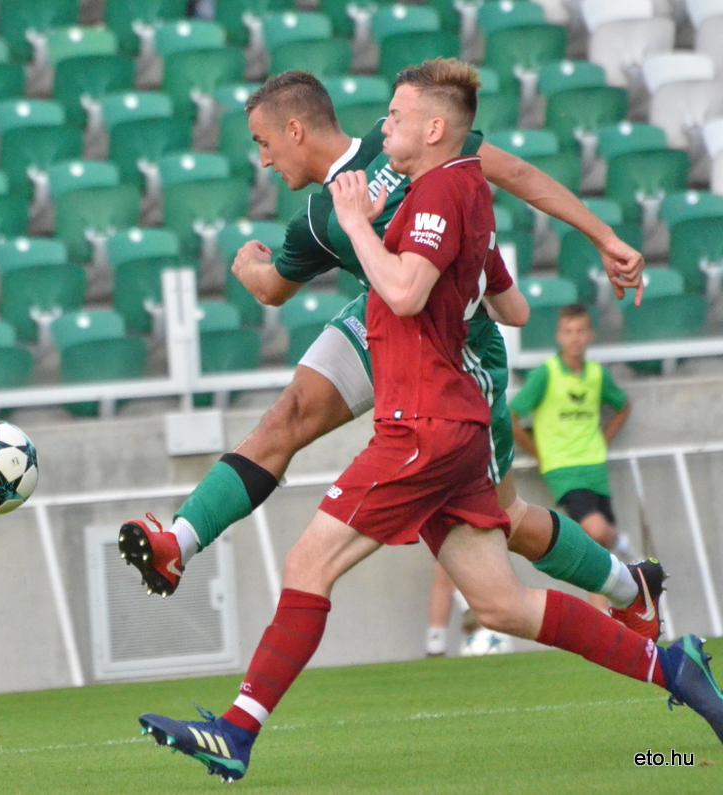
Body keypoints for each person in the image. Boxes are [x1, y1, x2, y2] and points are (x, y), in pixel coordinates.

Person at [135, 61, 723, 783]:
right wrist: (454, 273)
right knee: (501, 602)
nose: (384, 125)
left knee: (309, 562)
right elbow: (505, 303)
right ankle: (674, 665)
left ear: (433, 130)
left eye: (394, 116)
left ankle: (237, 729)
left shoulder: (442, 182)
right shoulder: (431, 189)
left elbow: (415, 289)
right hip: (441, 409)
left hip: (431, 413)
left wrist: (372, 232)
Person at [118, 69, 663, 642]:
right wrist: (250, 264)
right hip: (384, 320)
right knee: (288, 414)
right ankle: (176, 542)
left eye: (264, 143)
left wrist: (606, 238)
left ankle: (630, 586)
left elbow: (519, 174)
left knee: (506, 518)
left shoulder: (411, 141)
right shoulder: (315, 221)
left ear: (296, 130)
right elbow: (273, 289)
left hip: (459, 351)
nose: (264, 161)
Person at [511, 303, 634, 607]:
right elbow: (512, 415)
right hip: (562, 468)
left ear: (591, 335)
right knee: (597, 531)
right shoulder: (546, 373)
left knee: (598, 552)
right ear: (559, 336)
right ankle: (624, 544)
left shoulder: (596, 374)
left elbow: (623, 405)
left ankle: (603, 617)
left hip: (594, 465)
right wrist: (539, 452)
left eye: (581, 331)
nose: (575, 338)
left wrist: (603, 440)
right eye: (568, 332)